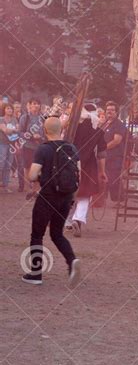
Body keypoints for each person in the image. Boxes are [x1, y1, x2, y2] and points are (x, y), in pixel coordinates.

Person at [22, 117, 80, 287]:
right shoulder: (72, 148)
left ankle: (36, 273)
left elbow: (32, 175)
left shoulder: (43, 149)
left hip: (47, 196)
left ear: (45, 131)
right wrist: (72, 197)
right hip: (66, 196)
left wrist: (38, 177)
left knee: (37, 234)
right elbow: (78, 175)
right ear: (60, 130)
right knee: (57, 234)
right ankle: (72, 261)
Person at [69, 109, 107, 236]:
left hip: (69, 162)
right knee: (85, 194)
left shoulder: (73, 127)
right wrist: (102, 171)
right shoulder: (98, 131)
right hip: (88, 165)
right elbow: (102, 154)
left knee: (68, 193)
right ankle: (78, 219)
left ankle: (66, 221)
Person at [102, 101, 127, 203]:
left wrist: (103, 148)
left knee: (114, 179)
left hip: (115, 156)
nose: (109, 112)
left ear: (117, 112)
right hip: (104, 156)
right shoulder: (105, 124)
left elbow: (117, 141)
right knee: (103, 177)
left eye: (112, 110)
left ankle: (120, 200)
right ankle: (102, 199)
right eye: (108, 110)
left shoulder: (119, 124)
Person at [19, 99, 44, 192]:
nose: (36, 106)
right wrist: (31, 136)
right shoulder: (24, 118)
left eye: (38, 104)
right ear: (29, 105)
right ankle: (27, 186)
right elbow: (20, 133)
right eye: (34, 103)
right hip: (27, 146)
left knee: (39, 167)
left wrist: (41, 137)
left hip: (40, 147)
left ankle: (36, 188)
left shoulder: (43, 118)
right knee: (27, 166)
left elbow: (46, 132)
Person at [0, 102, 19, 191]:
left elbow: (18, 130)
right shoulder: (1, 119)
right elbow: (5, 130)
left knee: (8, 165)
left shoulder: (15, 120)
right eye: (8, 108)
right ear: (4, 109)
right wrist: (14, 130)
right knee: (1, 164)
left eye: (11, 108)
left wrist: (12, 130)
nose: (10, 110)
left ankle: (5, 185)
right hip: (2, 143)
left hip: (11, 144)